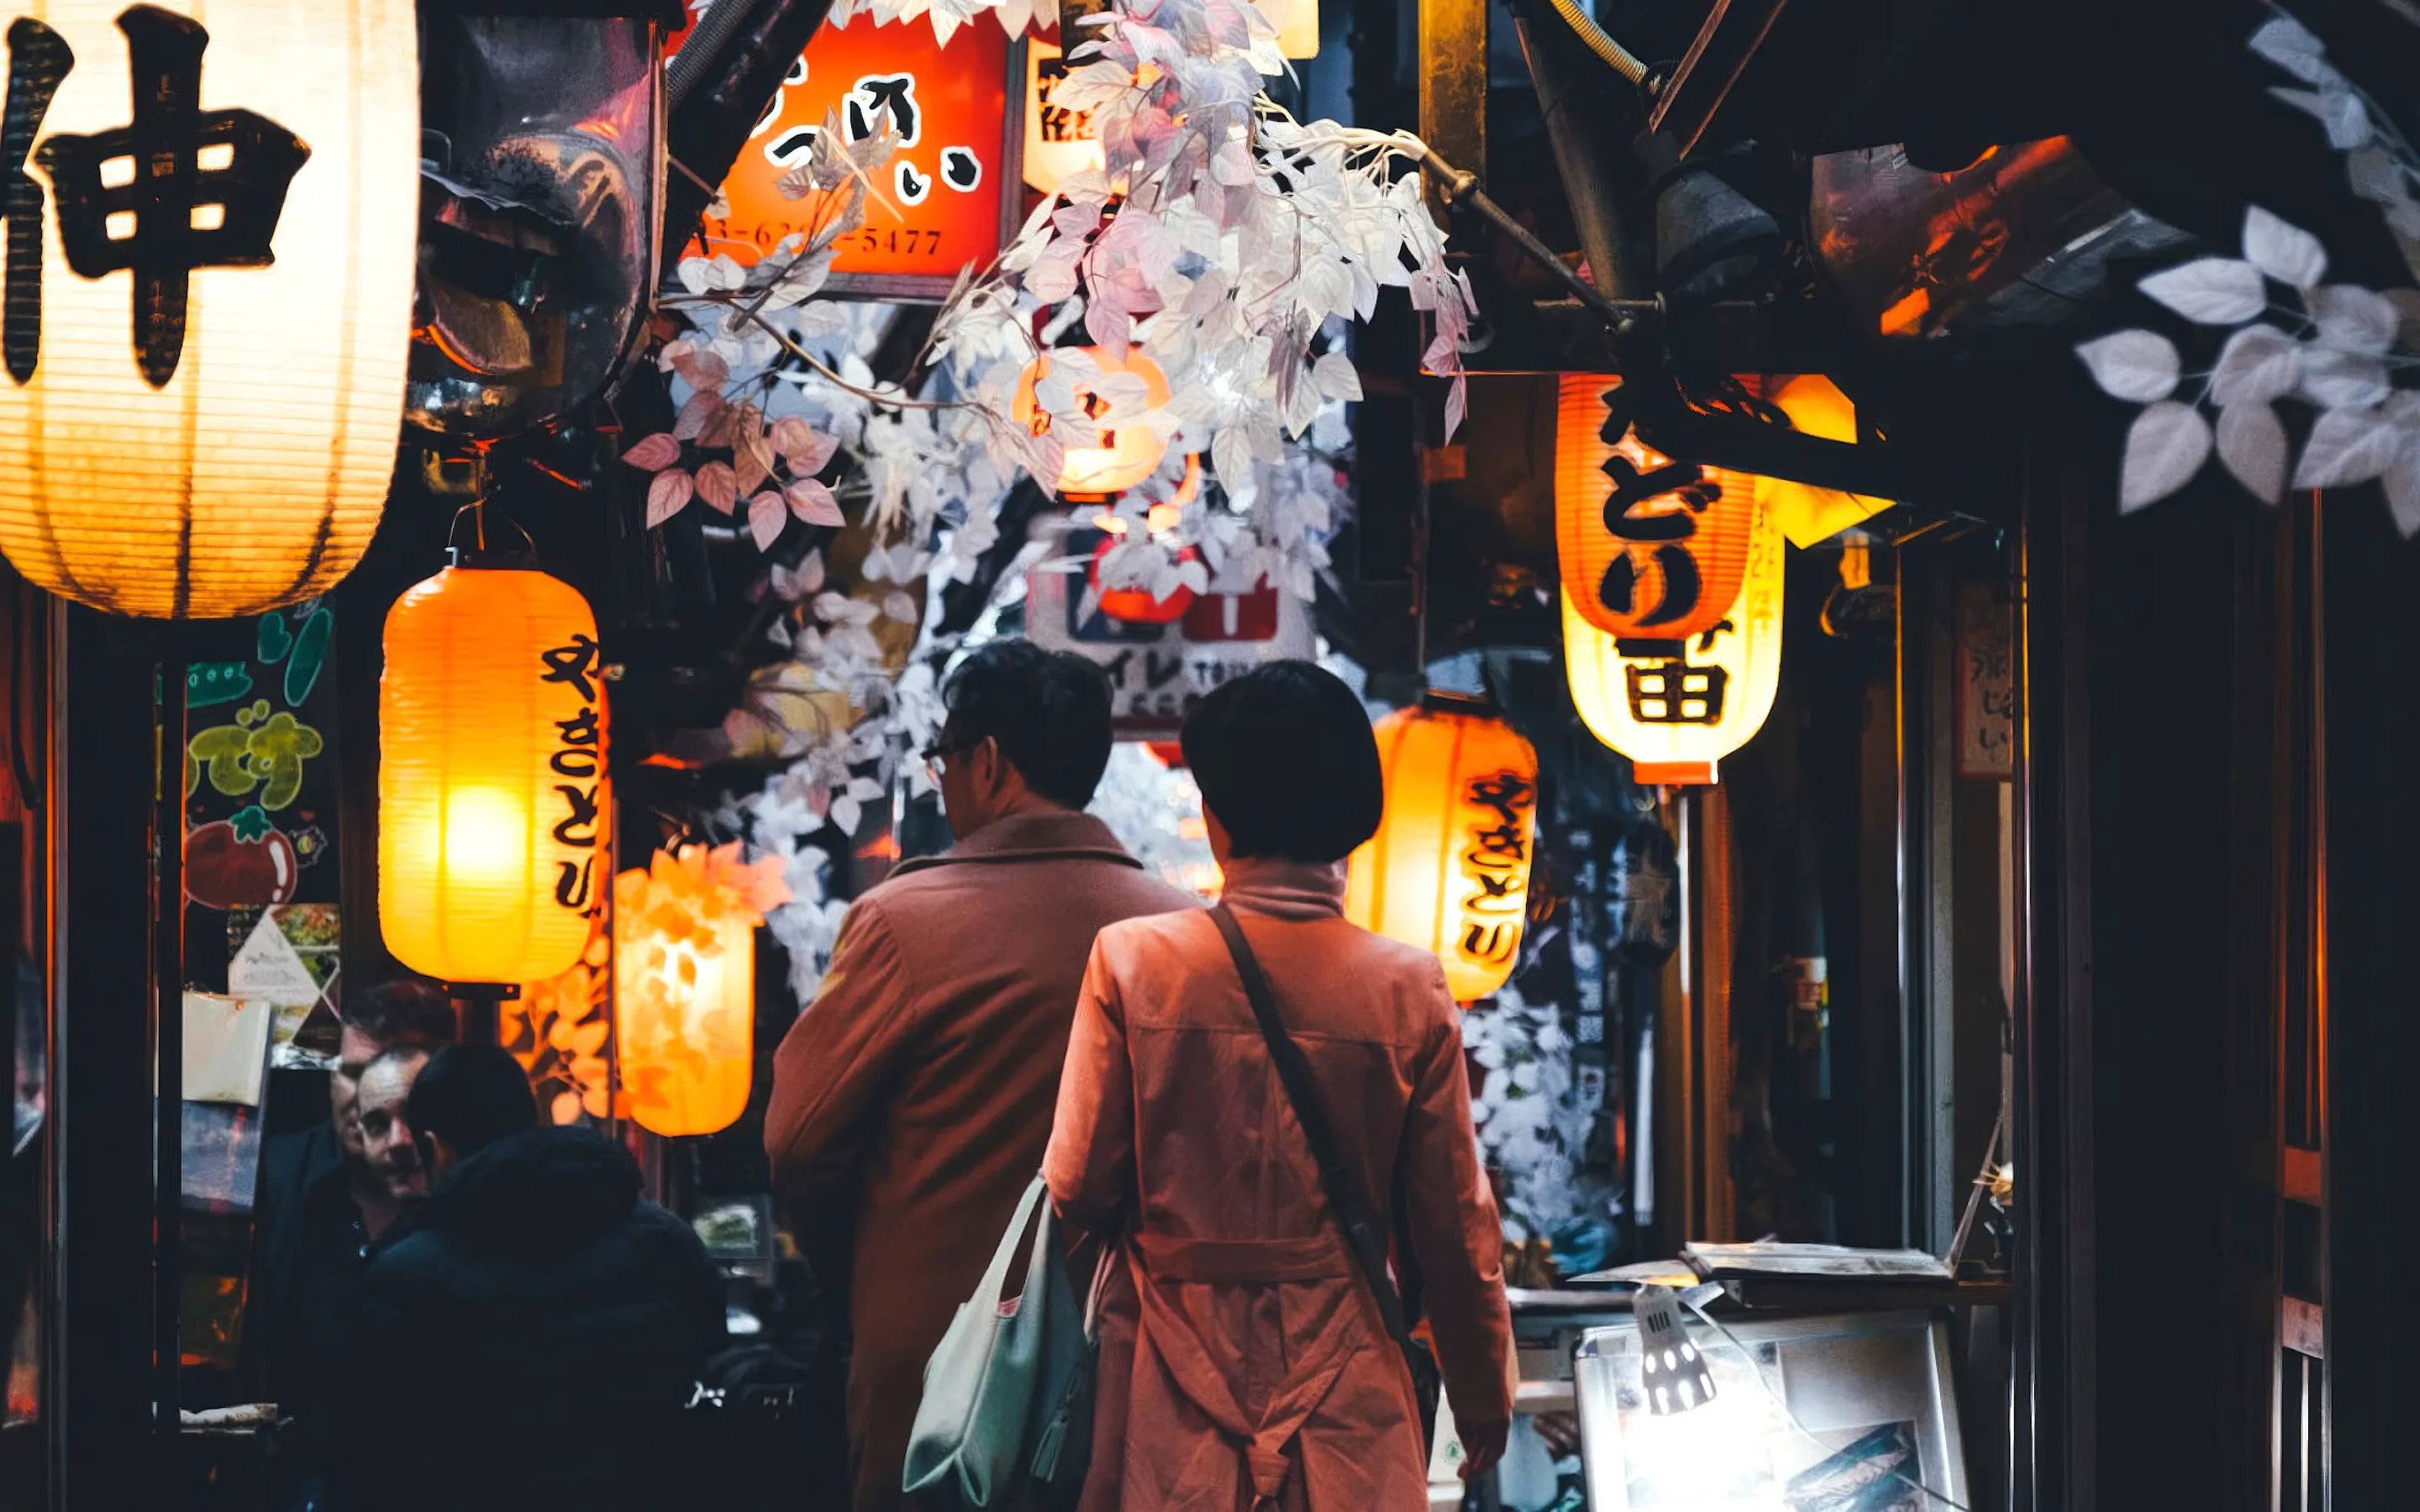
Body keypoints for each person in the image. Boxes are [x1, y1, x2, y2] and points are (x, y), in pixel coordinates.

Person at [1045, 663, 1516, 1511]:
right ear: (1355, 814)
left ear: (1218, 817)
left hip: (1167, 1384)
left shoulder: (1133, 962)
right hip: (1348, 1396)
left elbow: (1077, 1187)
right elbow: (1453, 1225)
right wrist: (1481, 1387)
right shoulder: (1408, 988)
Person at [765, 638, 1197, 1510]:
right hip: (1127, 1369)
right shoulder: (1183, 932)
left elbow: (798, 1141)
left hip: (941, 1376)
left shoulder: (904, 923)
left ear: (988, 762)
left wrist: (852, 1261)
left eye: (944, 762)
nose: (941, 782)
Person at [337, 1046, 723, 1512]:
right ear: (532, 1118)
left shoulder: (407, 1278)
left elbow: (377, 1460)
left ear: (436, 1147)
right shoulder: (668, 1242)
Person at [251, 979, 455, 1510]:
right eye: (351, 1073)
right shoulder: (273, 1178)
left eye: (388, 1073)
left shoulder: (461, 1193)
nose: (364, 1094)